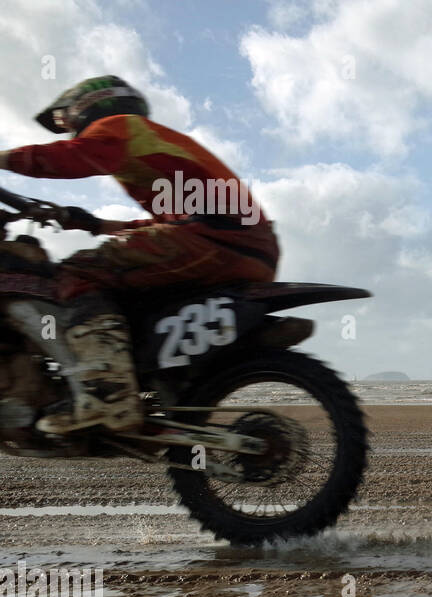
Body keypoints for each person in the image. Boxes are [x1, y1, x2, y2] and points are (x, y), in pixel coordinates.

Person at [0, 75, 279, 434]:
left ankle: (106, 392)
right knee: (126, 283)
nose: (68, 129)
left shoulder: (118, 126)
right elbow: (162, 227)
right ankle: (142, 385)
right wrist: (88, 222)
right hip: (233, 243)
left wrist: (5, 158)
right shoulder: (156, 146)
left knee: (79, 271)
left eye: (66, 119)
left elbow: (76, 157)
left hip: (218, 239)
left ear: (87, 104)